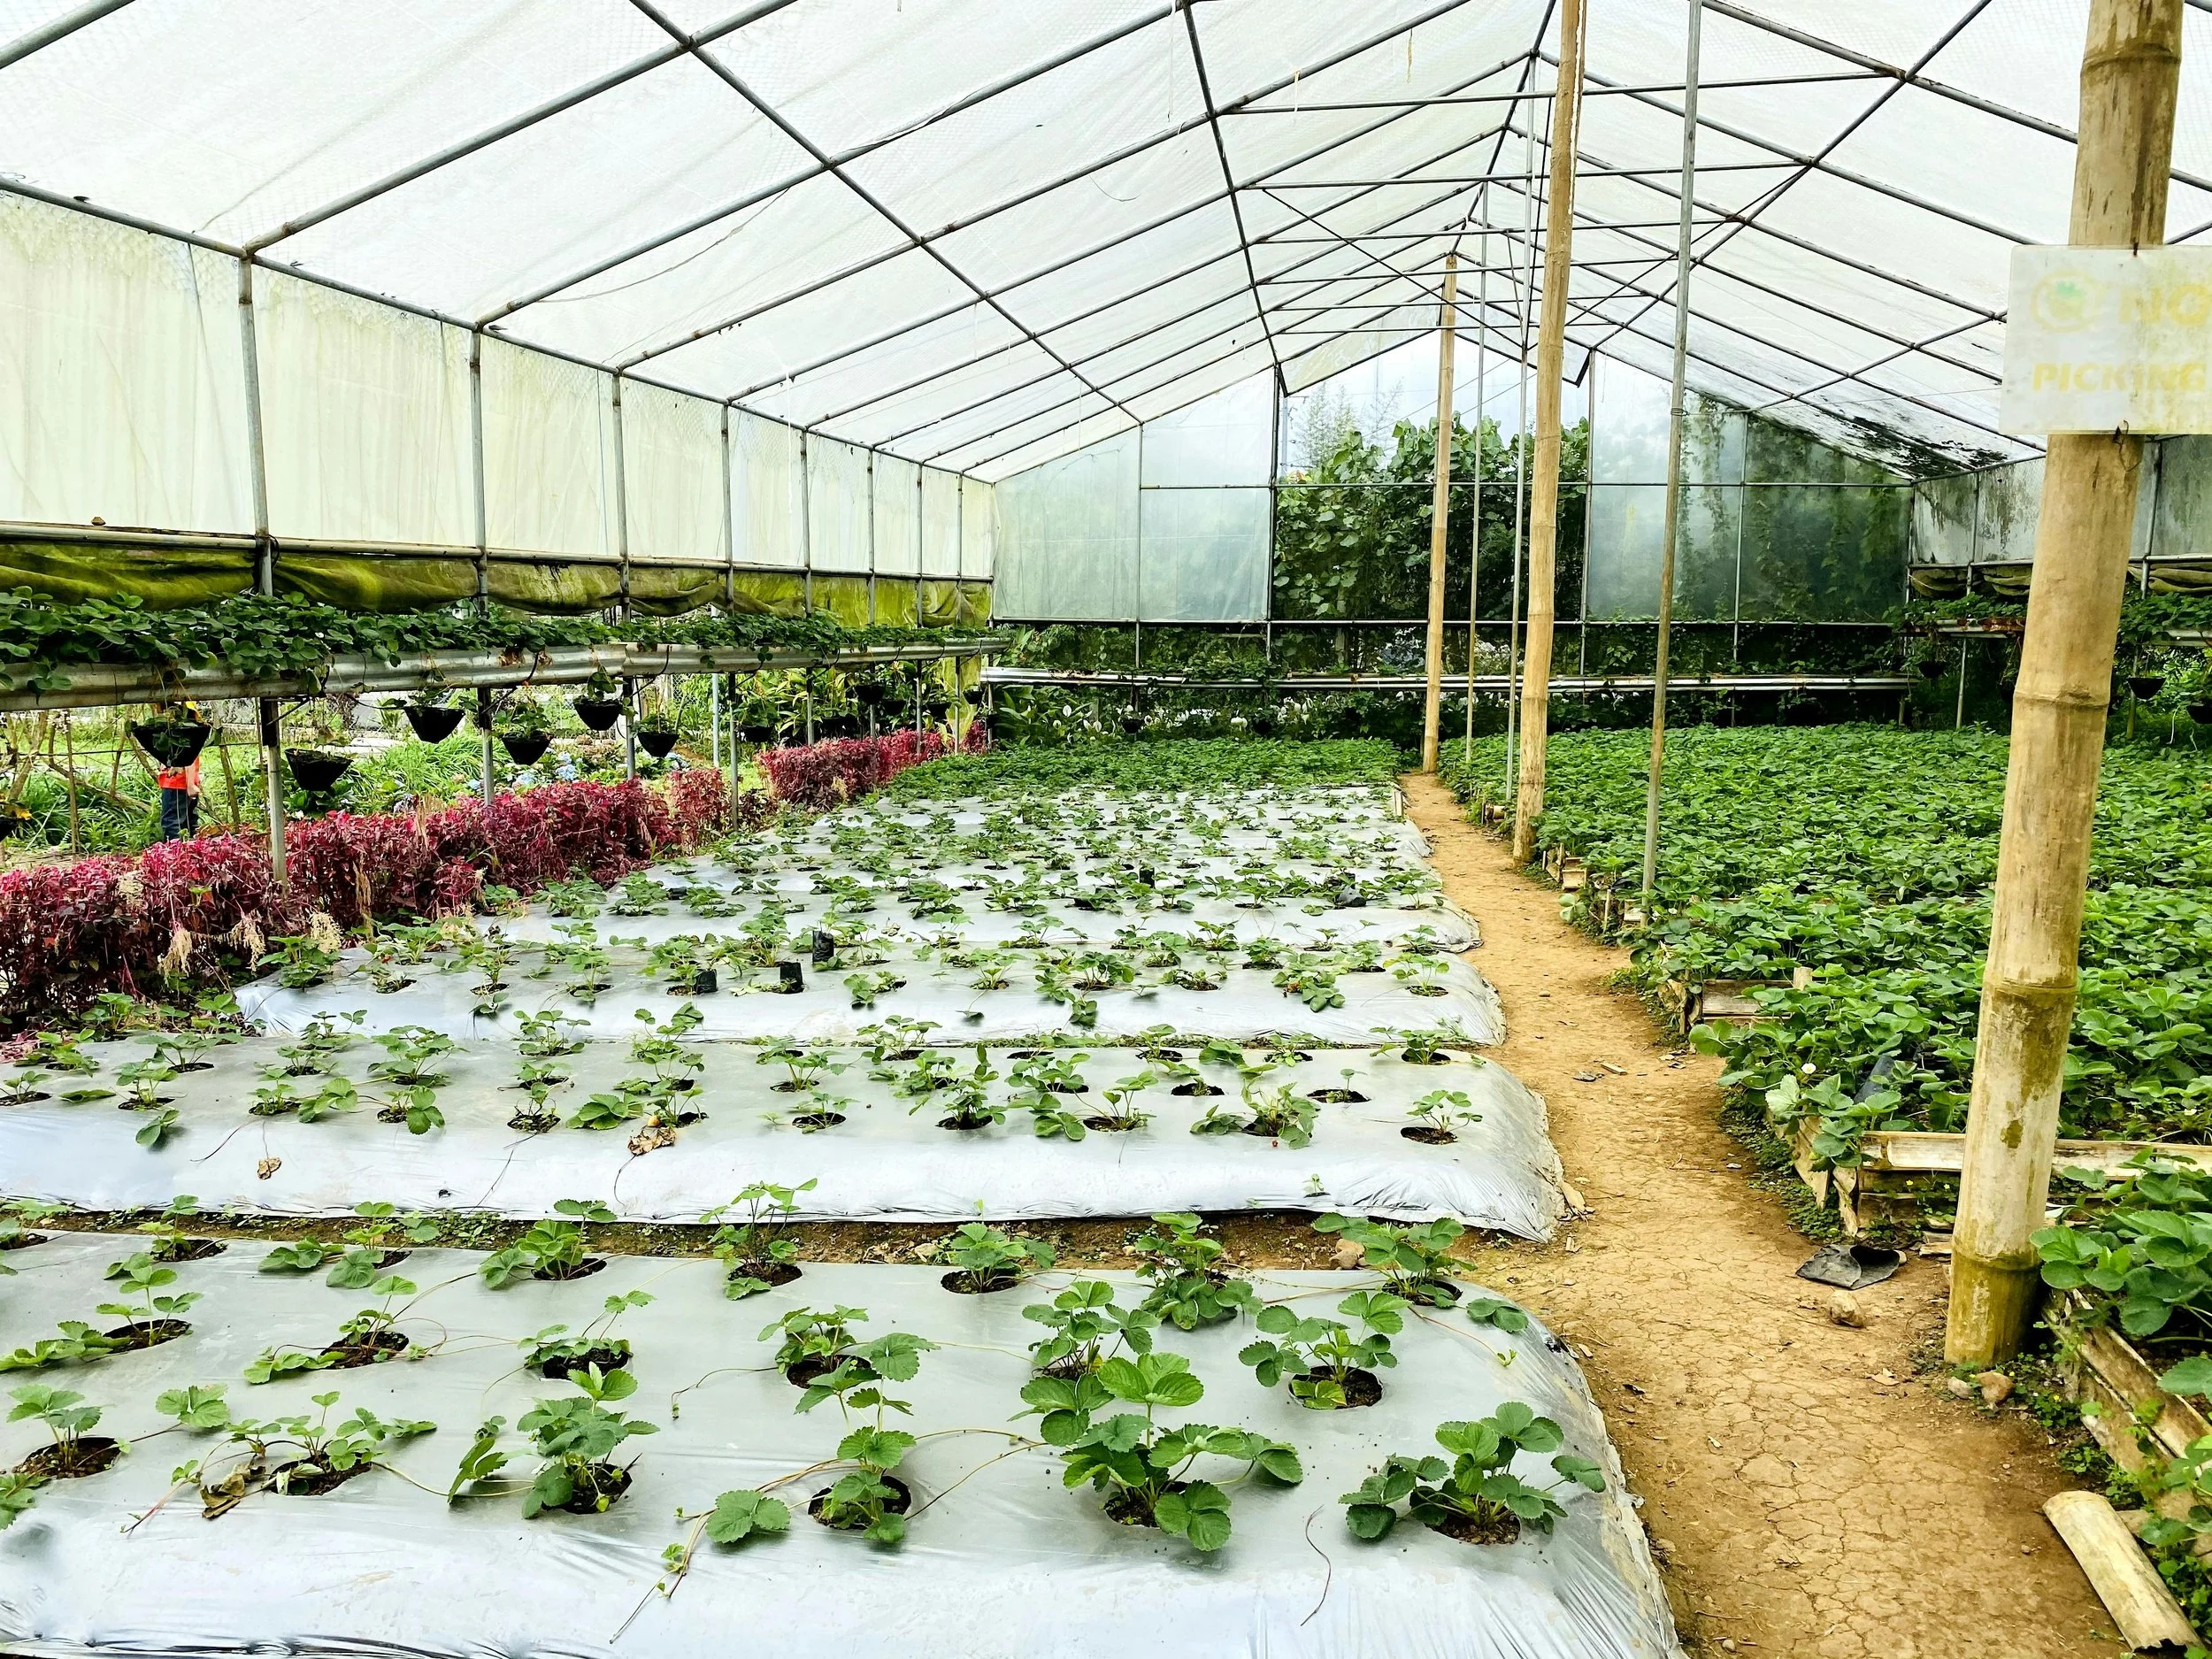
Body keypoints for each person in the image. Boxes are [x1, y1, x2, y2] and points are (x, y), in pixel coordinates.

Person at [157, 752, 200, 841]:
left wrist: (190, 785)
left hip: (177, 783)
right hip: (182, 783)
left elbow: (189, 757)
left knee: (171, 822)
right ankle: (194, 850)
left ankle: (174, 852)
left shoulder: (180, 739)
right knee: (189, 822)